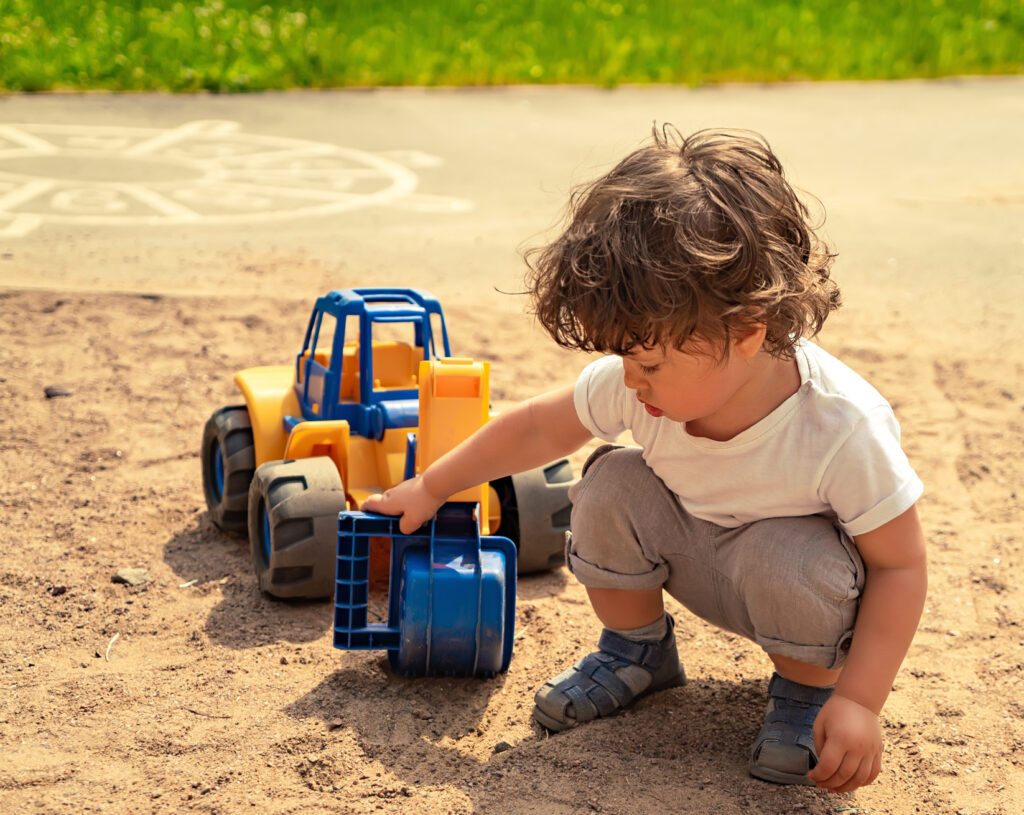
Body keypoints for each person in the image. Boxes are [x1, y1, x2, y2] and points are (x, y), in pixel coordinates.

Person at [362, 126, 927, 793]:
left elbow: (900, 564)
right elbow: (538, 428)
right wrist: (432, 485)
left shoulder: (839, 426)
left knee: (786, 554)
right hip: (695, 553)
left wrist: (860, 700)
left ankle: (804, 694)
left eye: (648, 360)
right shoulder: (645, 384)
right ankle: (638, 651)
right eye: (624, 357)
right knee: (609, 484)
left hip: (794, 588)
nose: (631, 380)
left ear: (746, 331)